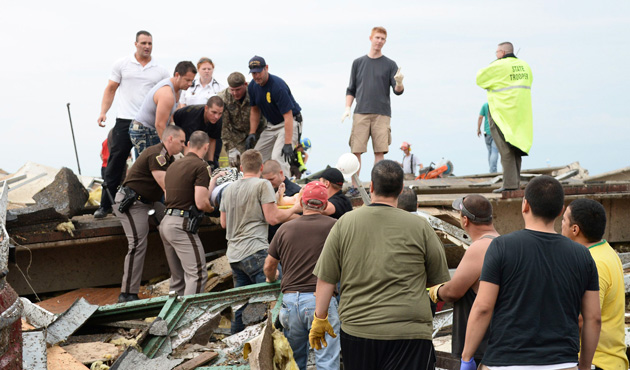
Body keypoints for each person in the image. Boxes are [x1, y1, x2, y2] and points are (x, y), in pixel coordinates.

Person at [309, 160, 450, 370]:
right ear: (401, 189)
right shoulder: (421, 227)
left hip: (358, 331)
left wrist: (320, 318)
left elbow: (326, 278)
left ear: (372, 187)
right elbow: (440, 282)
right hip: (410, 333)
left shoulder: (345, 223)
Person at [460, 175, 600, 370]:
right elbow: (593, 318)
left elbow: (483, 307)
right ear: (560, 211)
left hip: (505, 362)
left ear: (525, 205)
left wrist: (466, 358)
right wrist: (584, 366)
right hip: (561, 362)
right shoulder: (583, 255)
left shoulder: (501, 247)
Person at [219, 149, 300, 333]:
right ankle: (274, 344)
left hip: (234, 256)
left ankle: (235, 349)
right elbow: (272, 218)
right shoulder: (262, 185)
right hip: (255, 251)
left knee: (241, 306)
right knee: (277, 297)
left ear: (241, 167)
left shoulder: (228, 189)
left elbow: (223, 223)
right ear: (261, 167)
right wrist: (295, 208)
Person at [263, 181, 340, 370]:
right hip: (320, 302)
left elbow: (269, 265)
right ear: (324, 205)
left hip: (290, 304)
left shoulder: (284, 229)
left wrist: (271, 279)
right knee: (327, 360)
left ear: (302, 203)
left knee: (294, 362)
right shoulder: (336, 227)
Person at [94, 30, 170, 219]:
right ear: (135, 44)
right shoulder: (122, 64)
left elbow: (166, 96)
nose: (147, 46)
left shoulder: (160, 70)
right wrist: (103, 112)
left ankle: (153, 207)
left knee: (150, 165)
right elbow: (110, 89)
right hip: (125, 119)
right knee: (115, 164)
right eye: (143, 43)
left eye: (150, 43)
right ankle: (105, 205)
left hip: (147, 122)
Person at [113, 126, 186, 302]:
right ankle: (127, 293)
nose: (183, 146)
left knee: (175, 227)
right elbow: (167, 187)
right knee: (137, 243)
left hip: (149, 203)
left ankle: (180, 283)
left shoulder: (169, 158)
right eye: (181, 141)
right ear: (170, 139)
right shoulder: (157, 155)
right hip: (132, 203)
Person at [428, 195, 499, 364]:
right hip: (497, 341)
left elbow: (454, 291)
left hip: (479, 347)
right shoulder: (503, 242)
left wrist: (436, 291)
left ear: (465, 220)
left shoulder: (480, 247)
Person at [562, 199, 628, 370]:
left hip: (596, 362)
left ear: (574, 229)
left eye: (563, 220)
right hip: (613, 359)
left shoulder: (592, 262)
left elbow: (584, 319)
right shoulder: (607, 251)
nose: (560, 225)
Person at [342, 26, 404, 197]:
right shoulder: (358, 63)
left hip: (382, 113)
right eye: (377, 37)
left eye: (383, 39)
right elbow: (351, 89)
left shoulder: (390, 64)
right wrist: (347, 108)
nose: (379, 41)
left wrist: (399, 82)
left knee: (379, 152)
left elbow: (397, 91)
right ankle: (355, 187)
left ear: (385, 41)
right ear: (370, 38)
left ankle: (377, 187)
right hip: (360, 111)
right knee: (356, 151)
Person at [159, 131, 214, 296]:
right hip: (181, 225)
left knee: (178, 278)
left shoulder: (174, 165)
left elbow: (169, 196)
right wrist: (212, 209)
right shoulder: (202, 166)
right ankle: (188, 321)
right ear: (206, 146)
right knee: (197, 274)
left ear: (189, 144)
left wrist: (212, 182)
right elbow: (201, 202)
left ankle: (170, 319)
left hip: (166, 222)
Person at [476, 42, 533, 193]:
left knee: (504, 149)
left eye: (496, 53)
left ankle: (509, 185)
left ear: (501, 52)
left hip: (501, 112)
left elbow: (480, 79)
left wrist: (496, 62)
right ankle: (515, 182)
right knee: (515, 148)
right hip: (520, 114)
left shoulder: (499, 66)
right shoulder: (525, 66)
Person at [246, 56, 303, 175]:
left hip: (289, 122)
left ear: (266, 68)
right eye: (253, 73)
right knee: (256, 156)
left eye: (259, 72)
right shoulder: (252, 86)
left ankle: (285, 189)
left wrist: (288, 143)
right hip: (272, 125)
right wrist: (252, 133)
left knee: (279, 157)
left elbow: (288, 115)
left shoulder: (278, 86)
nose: (256, 76)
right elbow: (255, 110)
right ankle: (257, 187)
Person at [130, 61, 197, 155]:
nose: (190, 84)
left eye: (192, 81)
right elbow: (160, 124)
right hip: (144, 130)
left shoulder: (179, 88)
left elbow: (170, 115)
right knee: (154, 162)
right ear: (177, 75)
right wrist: (169, 150)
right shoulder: (167, 94)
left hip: (152, 128)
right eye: (187, 80)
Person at [218, 72, 266, 167]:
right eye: (232, 90)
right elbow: (224, 126)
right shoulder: (223, 98)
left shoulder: (255, 91)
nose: (235, 93)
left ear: (245, 85)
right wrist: (231, 148)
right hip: (236, 137)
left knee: (259, 164)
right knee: (237, 165)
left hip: (258, 133)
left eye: (238, 90)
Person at [173, 95, 225, 167]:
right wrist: (189, 164)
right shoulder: (192, 118)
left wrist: (210, 162)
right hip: (178, 125)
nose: (216, 117)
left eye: (220, 113)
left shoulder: (217, 119)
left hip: (200, 129)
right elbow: (187, 145)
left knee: (214, 157)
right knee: (188, 161)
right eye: (214, 112)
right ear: (206, 108)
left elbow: (212, 139)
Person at [262, 159, 301, 242]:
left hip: (288, 240)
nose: (269, 183)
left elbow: (302, 218)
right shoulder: (264, 191)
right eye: (266, 180)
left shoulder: (296, 191)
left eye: (272, 179)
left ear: (281, 173)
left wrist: (276, 214)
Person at [477, 103, 498, 173]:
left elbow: (480, 117)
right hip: (496, 132)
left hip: (487, 133)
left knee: (490, 152)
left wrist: (478, 129)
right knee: (495, 151)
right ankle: (493, 170)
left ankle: (491, 170)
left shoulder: (485, 105)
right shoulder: (498, 104)